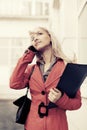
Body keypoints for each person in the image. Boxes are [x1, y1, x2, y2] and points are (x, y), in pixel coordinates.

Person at [10, 27, 82, 130]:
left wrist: (61, 99)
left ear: (51, 37)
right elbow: (14, 84)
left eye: (39, 34)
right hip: (32, 126)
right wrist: (28, 55)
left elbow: (77, 103)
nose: (35, 38)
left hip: (57, 126)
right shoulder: (32, 69)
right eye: (32, 38)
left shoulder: (67, 68)